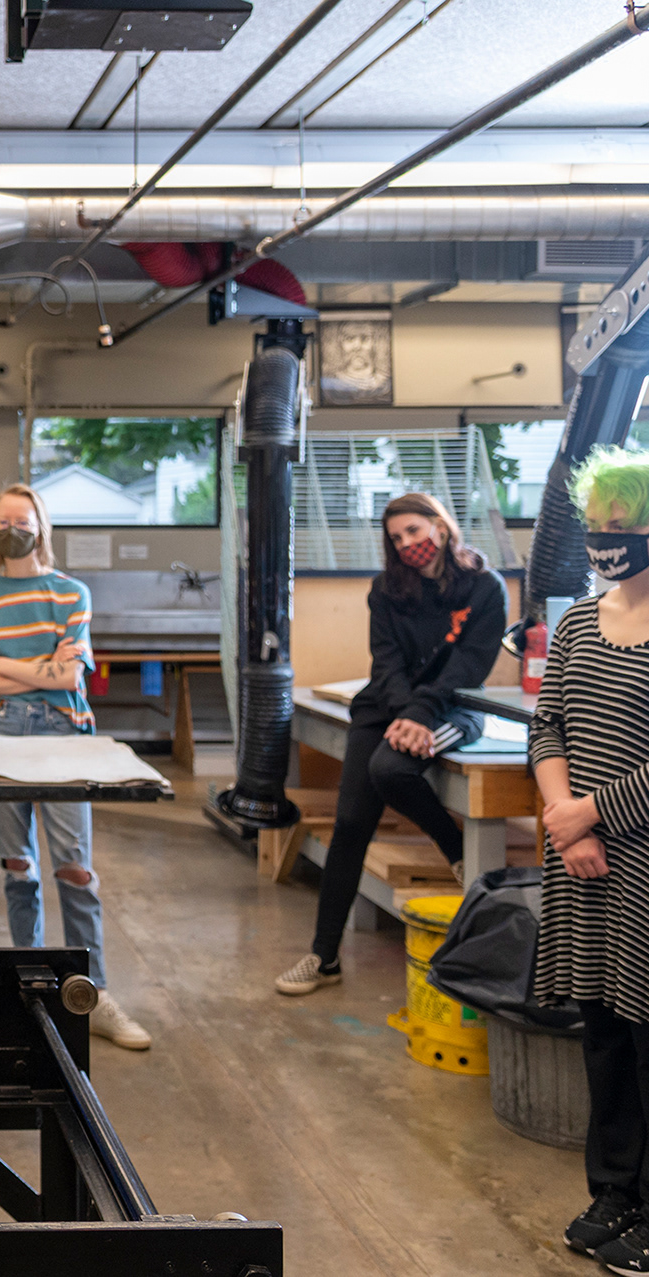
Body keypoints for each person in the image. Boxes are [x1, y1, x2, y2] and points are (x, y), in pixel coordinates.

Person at [274, 492, 504, 998]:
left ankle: (456, 853)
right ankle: (324, 956)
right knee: (351, 823)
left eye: (413, 531)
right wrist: (405, 713)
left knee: (391, 770)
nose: (405, 544)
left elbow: (469, 666)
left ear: (440, 526)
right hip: (385, 707)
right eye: (396, 538)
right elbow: (386, 661)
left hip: (453, 709)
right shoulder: (386, 589)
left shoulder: (485, 588)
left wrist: (421, 714)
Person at [0, 483, 150, 1051]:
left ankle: (95, 993)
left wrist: (1, 663)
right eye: (3, 522)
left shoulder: (71, 592)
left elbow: (70, 676)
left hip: (63, 733)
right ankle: (33, 992)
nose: (12, 530)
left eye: (22, 520)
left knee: (74, 869)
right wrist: (37, 667)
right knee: (18, 869)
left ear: (41, 526)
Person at [531, 448, 649, 1270]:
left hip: (639, 863)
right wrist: (566, 825)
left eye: (624, 524)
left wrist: (589, 812)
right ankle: (614, 1190)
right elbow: (548, 726)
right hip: (585, 866)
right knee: (602, 1028)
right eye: (598, 523)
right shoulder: (577, 621)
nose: (608, 538)